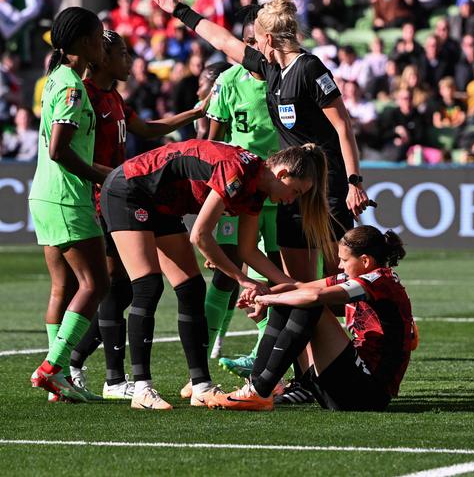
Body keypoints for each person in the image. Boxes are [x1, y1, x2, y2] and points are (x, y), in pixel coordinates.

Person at [150, 0, 369, 281]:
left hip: (325, 187)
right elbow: (223, 41)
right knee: (300, 285)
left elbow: (343, 126)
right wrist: (179, 10)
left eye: (256, 40)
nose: (251, 46)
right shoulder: (271, 69)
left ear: (268, 39)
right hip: (291, 189)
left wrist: (354, 182)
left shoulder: (310, 68)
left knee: (339, 282)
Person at [100, 140, 331, 409]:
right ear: (281, 174)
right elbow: (200, 235)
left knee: (192, 289)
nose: (292, 200)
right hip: (128, 190)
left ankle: (201, 387)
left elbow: (247, 251)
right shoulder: (239, 172)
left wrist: (293, 285)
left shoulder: (257, 188)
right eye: (295, 191)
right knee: (148, 286)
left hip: (161, 203)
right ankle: (142, 389)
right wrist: (243, 279)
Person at [66, 30, 214, 401]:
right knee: (120, 285)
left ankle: (95, 370)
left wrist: (195, 113)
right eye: (122, 53)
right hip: (106, 198)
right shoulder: (83, 95)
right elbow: (68, 152)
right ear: (101, 57)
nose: (130, 60)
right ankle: (102, 373)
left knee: (123, 287)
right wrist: (114, 178)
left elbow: (148, 129)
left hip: (128, 191)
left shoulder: (113, 97)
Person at [210, 225, 417, 412]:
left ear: (365, 261)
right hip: (347, 389)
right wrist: (262, 293)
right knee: (291, 300)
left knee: (307, 304)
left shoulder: (380, 279)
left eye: (344, 260)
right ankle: (258, 387)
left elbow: (314, 296)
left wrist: (269, 299)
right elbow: (299, 287)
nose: (340, 265)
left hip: (369, 395)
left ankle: (260, 391)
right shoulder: (358, 276)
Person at [189, 5, 282, 389]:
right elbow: (215, 139)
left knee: (275, 274)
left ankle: (264, 361)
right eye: (243, 44)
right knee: (225, 277)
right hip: (236, 189)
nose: (249, 52)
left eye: (254, 44)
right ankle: (202, 366)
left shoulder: (282, 80)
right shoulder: (226, 82)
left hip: (279, 190)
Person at [28, 7, 109, 402]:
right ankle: (51, 368)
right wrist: (103, 177)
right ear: (81, 43)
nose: (102, 43)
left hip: (44, 194)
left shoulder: (57, 78)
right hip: (65, 197)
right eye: (97, 36)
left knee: (63, 286)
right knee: (96, 283)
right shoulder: (72, 87)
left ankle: (57, 381)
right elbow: (60, 150)